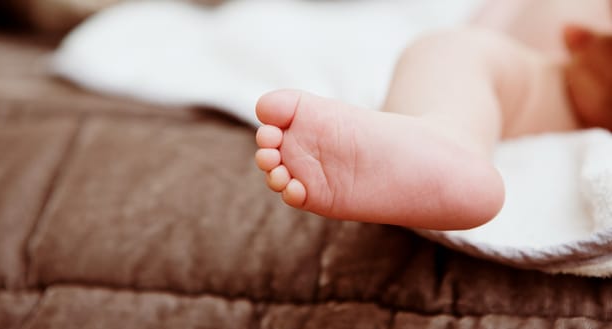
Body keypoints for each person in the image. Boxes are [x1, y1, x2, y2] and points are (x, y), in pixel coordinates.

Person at [253, 0, 612, 230]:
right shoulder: (542, 74)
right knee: (455, 52)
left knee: (457, 50)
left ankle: (442, 138)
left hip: (557, 81)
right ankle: (443, 140)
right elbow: (481, 30)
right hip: (548, 85)